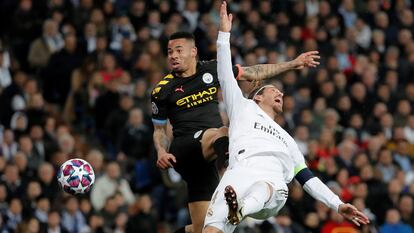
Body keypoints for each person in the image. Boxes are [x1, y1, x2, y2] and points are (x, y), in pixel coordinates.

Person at [202, 2, 370, 233]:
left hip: (271, 182)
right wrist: (224, 34)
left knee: (265, 187)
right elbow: (224, 72)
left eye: (280, 92)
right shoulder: (242, 107)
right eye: (273, 90)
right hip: (237, 173)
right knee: (210, 229)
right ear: (258, 97)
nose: (280, 93)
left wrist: (338, 204)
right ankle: (237, 209)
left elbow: (308, 179)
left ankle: (241, 209)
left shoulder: (287, 139)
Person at [151, 9, 320, 233]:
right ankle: (236, 174)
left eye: (178, 50)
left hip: (207, 160)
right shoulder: (162, 90)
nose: (173, 55)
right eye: (170, 51)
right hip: (186, 148)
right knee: (227, 131)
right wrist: (161, 152)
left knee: (205, 229)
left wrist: (291, 64)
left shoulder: (211, 70)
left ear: (193, 52)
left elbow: (253, 72)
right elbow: (159, 130)